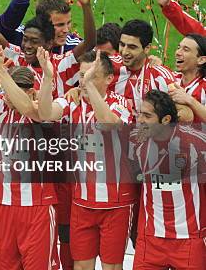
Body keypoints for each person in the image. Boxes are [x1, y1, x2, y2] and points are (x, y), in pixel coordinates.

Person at [0, 46, 60, 269]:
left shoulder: (42, 112)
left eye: (13, 92)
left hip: (38, 207)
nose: (7, 97)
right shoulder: (1, 109)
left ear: (32, 93)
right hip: (4, 205)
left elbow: (27, 108)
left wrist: (3, 74)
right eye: (6, 92)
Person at [38, 49, 137, 270]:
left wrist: (89, 87)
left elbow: (108, 124)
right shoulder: (71, 104)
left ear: (109, 79)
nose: (83, 81)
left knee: (111, 267)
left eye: (91, 75)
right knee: (81, 266)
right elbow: (44, 113)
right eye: (82, 75)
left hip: (116, 204)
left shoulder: (122, 103)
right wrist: (47, 78)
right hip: (81, 202)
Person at [131, 90, 205, 270]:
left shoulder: (196, 142)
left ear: (165, 120)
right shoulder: (136, 140)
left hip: (188, 239)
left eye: (147, 115)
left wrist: (191, 103)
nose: (140, 120)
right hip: (150, 238)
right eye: (139, 113)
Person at [169, 33, 206, 123]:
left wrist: (189, 100)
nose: (178, 53)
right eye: (178, 48)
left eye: (186, 50)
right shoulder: (170, 78)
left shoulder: (204, 86)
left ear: (201, 60)